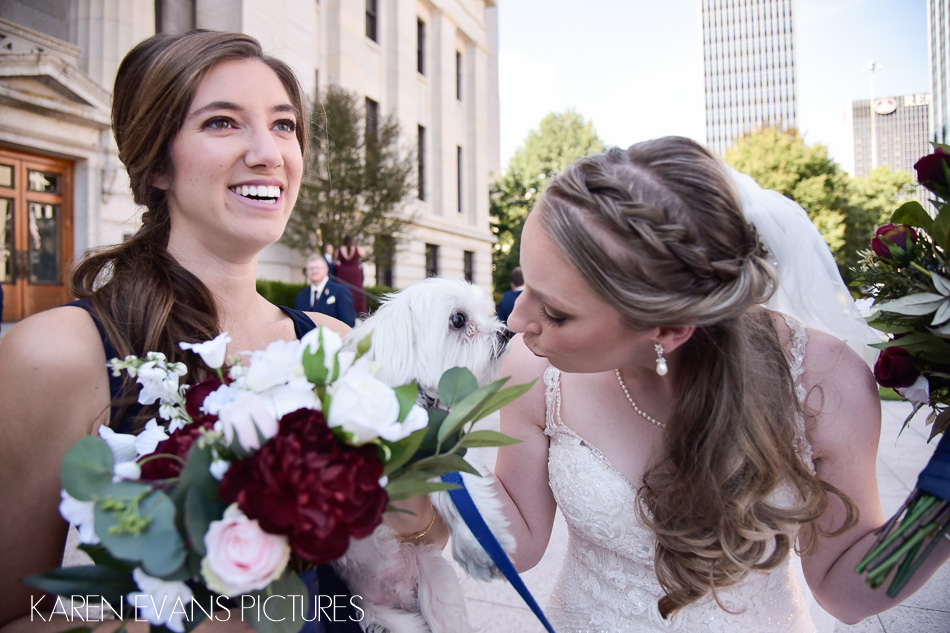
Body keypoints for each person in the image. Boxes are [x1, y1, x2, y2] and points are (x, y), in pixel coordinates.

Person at [0, 30, 441, 632]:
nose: (269, 153)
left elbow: (421, 540)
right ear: (157, 162)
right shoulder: (59, 354)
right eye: (222, 123)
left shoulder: (335, 344)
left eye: (283, 125)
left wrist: (411, 506)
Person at [491, 137, 950, 632]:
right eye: (526, 287)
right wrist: (439, 471)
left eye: (554, 311)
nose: (516, 321)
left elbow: (844, 594)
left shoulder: (824, 380)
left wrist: (941, 499)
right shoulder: (532, 369)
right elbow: (519, 545)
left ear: (668, 328)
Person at [293, 253, 356, 326]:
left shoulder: (341, 291)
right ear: (306, 271)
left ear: (326, 269)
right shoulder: (300, 296)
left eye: (317, 268)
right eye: (311, 268)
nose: (314, 271)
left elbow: (348, 323)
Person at [336, 234, 367, 316]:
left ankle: (343, 312)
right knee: (357, 292)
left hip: (343, 273)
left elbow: (337, 259)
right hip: (355, 274)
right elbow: (364, 254)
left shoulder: (340, 249)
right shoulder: (357, 248)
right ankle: (358, 313)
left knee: (342, 292)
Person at [495, 265, 524, 332]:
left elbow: (500, 324)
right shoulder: (534, 297)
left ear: (512, 283)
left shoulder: (505, 298)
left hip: (511, 336)